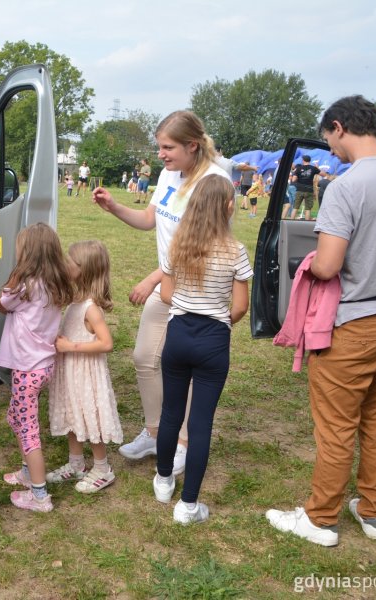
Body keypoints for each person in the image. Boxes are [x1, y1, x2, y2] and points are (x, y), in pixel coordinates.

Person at [266, 95, 376, 547]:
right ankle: (374, 512)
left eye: (328, 140)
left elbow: (328, 265)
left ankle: (320, 519)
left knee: (337, 427)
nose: (330, 150)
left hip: (357, 324)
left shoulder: (347, 185)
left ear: (339, 127)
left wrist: (305, 263)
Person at [92, 110, 230, 476]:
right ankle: (155, 432)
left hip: (197, 291)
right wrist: (114, 207)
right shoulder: (170, 173)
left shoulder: (214, 182)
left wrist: (153, 278)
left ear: (192, 145)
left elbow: (202, 245)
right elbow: (149, 219)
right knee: (143, 358)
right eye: (159, 147)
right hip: (169, 284)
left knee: (182, 367)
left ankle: (182, 441)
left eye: (168, 147)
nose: (161, 155)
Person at [154, 175, 252, 524]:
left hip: (178, 332)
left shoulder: (178, 244)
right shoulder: (235, 250)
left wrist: (187, 302)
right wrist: (217, 317)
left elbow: (166, 294)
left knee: (170, 412)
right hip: (213, 339)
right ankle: (189, 505)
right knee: (200, 424)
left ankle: (163, 480)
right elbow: (240, 307)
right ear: (228, 207)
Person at [0, 222, 73, 512]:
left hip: (27, 369)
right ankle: (27, 474)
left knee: (28, 431)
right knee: (16, 417)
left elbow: (2, 302)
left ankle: (39, 495)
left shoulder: (24, 286)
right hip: (41, 366)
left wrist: (11, 280)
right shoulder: (54, 285)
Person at [46, 240, 123, 493]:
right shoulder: (75, 302)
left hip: (86, 373)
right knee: (72, 415)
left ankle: (102, 468)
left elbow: (106, 343)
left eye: (72, 262)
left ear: (86, 270)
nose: (66, 264)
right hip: (70, 373)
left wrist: (71, 347)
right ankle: (76, 463)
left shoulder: (91, 309)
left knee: (91, 419)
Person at [289, 155, 321, 220]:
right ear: (309, 160)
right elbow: (322, 174)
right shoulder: (313, 168)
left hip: (300, 190)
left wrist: (297, 177)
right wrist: (317, 167)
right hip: (309, 190)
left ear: (303, 160)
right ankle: (306, 223)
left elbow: (293, 180)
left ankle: (291, 221)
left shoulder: (298, 168)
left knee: (295, 207)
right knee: (308, 209)